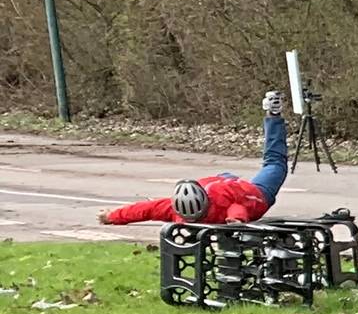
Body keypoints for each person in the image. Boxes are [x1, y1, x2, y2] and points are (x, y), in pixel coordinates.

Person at [99, 93, 291, 226]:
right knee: (226, 178)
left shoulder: (223, 204)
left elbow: (236, 208)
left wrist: (237, 221)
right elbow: (145, 210)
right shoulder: (172, 207)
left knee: (275, 164)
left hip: (251, 193)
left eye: (199, 217)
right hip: (220, 181)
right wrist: (112, 216)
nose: (196, 222)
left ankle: (273, 116)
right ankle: (228, 178)